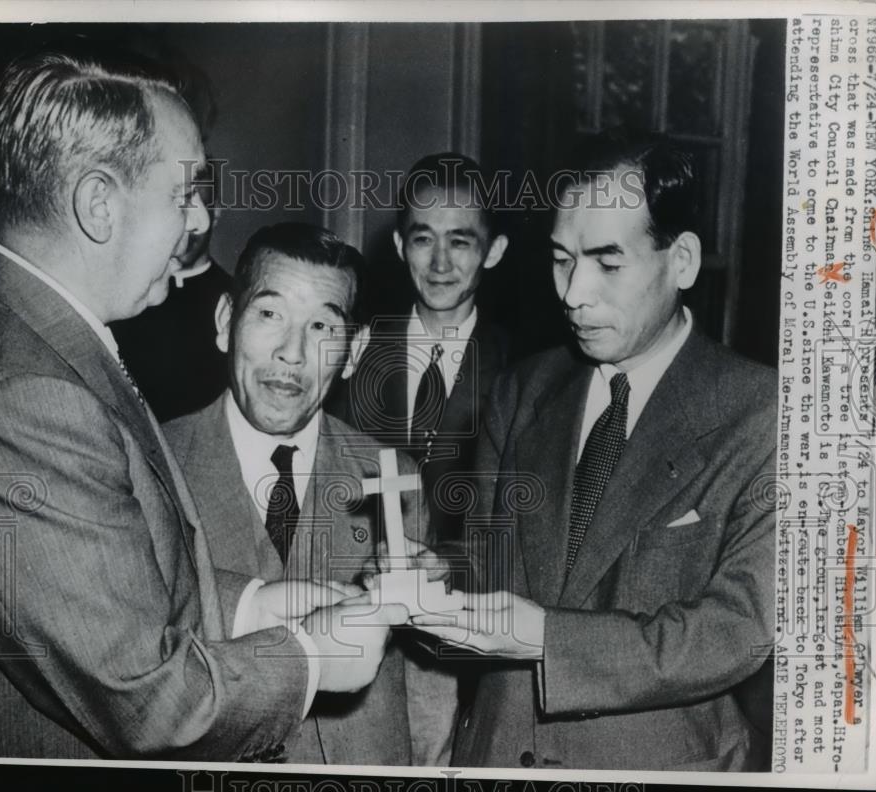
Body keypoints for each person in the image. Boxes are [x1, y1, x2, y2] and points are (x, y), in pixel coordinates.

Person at [0, 50, 404, 760]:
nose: (202, 219)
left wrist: (260, 603)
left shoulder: (18, 334)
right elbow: (146, 698)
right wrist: (314, 655)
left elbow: (94, 587)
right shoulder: (24, 398)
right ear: (98, 205)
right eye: (184, 195)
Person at [413, 131, 776, 771]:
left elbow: (739, 630)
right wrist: (434, 578)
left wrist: (543, 636)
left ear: (683, 261)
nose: (573, 293)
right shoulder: (520, 393)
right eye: (561, 259)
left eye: (607, 264)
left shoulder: (760, 414)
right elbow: (489, 571)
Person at [165, 221, 459, 765]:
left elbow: (427, 688)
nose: (292, 353)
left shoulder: (392, 475)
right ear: (227, 321)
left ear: (354, 350)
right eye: (270, 314)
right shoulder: (154, 466)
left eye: (322, 325)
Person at [339, 152, 511, 546]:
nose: (439, 263)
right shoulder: (353, 352)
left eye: (460, 242)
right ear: (400, 245)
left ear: (494, 250)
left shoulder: (520, 371)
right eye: (423, 239)